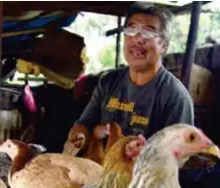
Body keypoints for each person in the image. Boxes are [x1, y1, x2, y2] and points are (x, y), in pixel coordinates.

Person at [70, 3, 194, 138]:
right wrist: (82, 135)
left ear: (164, 45)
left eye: (148, 32)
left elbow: (179, 153)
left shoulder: (175, 96)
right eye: (131, 30)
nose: (138, 39)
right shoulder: (108, 82)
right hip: (100, 159)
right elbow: (84, 124)